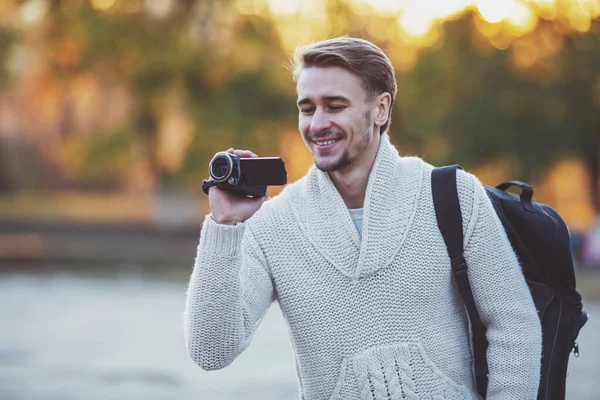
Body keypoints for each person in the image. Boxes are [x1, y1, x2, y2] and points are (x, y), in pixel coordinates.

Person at [184, 37, 541, 399]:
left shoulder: (453, 195)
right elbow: (211, 351)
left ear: (380, 109)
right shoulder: (273, 224)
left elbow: (514, 327)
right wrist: (224, 226)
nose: (317, 124)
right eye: (307, 109)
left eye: (335, 106)